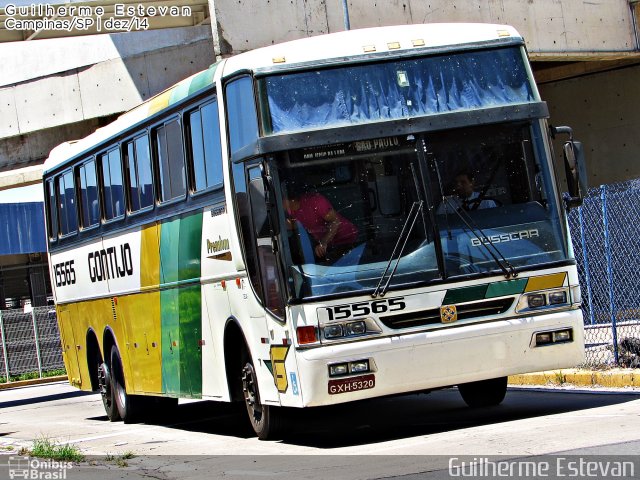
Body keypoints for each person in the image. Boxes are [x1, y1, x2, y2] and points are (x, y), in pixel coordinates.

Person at [283, 186, 358, 260]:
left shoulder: (315, 201)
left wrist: (323, 242)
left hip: (348, 240)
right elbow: (291, 225)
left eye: (280, 199)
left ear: (289, 200)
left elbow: (335, 221)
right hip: (328, 247)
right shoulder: (290, 211)